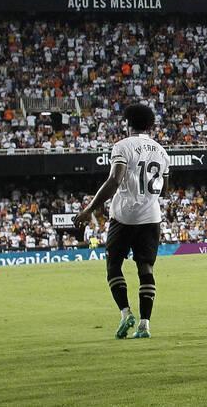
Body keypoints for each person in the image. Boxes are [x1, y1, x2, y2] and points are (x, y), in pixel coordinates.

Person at [75, 103, 170, 340]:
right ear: (150, 125)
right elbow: (165, 189)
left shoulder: (122, 146)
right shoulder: (161, 151)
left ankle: (126, 313)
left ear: (128, 124)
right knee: (145, 268)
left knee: (114, 265)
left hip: (124, 216)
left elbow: (114, 180)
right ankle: (145, 324)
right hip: (151, 217)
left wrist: (89, 209)